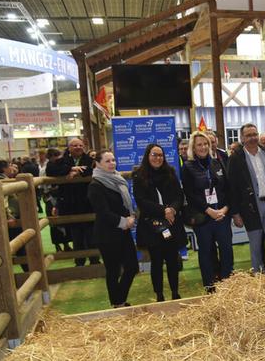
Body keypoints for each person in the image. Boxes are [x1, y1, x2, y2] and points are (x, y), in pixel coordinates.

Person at [228, 123, 265, 274]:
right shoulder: (236, 159)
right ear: (242, 138)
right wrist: (235, 213)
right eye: (248, 135)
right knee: (255, 245)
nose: (252, 138)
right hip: (251, 208)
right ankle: (258, 277)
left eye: (254, 134)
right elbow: (232, 188)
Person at [133, 144, 186, 301]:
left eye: (160, 155)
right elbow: (141, 201)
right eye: (154, 155)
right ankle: (159, 295)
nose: (157, 158)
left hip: (171, 223)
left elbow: (179, 196)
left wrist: (173, 210)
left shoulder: (170, 173)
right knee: (156, 262)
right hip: (152, 226)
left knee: (172, 260)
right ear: (147, 156)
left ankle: (175, 292)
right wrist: (164, 210)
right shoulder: (139, 176)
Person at [182, 132, 233, 291]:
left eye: (205, 144)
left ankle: (228, 283)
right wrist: (209, 210)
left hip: (222, 215)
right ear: (193, 147)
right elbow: (190, 195)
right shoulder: (188, 167)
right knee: (206, 252)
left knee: (226, 249)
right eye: (199, 144)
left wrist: (225, 209)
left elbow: (227, 189)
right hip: (203, 217)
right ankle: (210, 286)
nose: (203, 147)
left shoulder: (217, 162)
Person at [87, 151, 138, 308]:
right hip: (107, 234)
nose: (112, 163)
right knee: (113, 270)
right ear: (98, 163)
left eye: (113, 160)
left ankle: (118, 299)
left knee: (132, 267)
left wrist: (129, 218)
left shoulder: (117, 179)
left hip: (123, 231)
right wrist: (124, 222)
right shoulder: (95, 185)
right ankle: (118, 303)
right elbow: (103, 212)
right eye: (107, 161)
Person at [46, 138, 99, 266]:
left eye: (80, 145)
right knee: (76, 235)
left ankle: (94, 261)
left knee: (91, 234)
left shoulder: (90, 159)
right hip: (70, 203)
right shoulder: (61, 161)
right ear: (69, 147)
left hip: (88, 202)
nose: (78, 147)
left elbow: (93, 170)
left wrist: (74, 172)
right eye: (75, 145)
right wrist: (72, 169)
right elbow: (51, 170)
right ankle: (79, 262)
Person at [0, 160, 28, 271]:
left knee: (10, 247)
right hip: (8, 219)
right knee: (19, 245)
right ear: (4, 169)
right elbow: (3, 201)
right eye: (9, 166)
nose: (11, 168)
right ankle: (28, 271)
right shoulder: (1, 181)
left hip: (0, 219)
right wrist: (9, 216)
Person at [41, 148, 72, 252]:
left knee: (63, 220)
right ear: (51, 157)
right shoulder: (44, 169)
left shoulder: (59, 166)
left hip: (60, 196)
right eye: (56, 156)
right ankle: (57, 245)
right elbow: (43, 185)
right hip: (51, 197)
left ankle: (66, 243)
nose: (58, 158)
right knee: (54, 222)